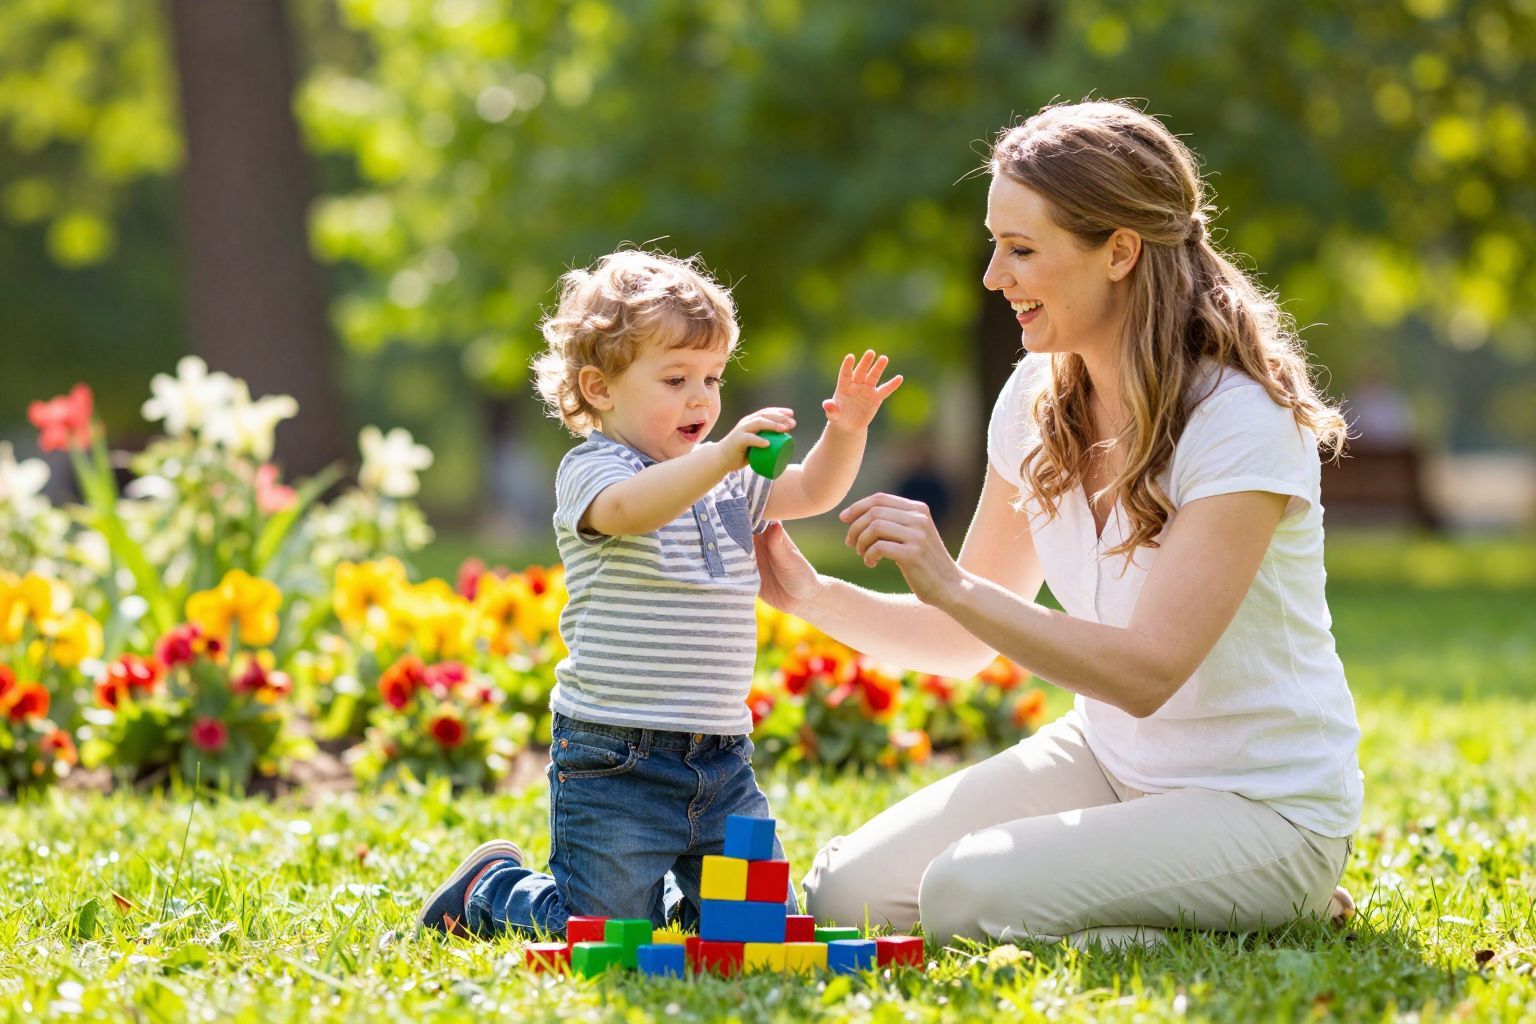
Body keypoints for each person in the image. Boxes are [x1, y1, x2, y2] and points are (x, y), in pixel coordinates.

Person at [754, 100, 1363, 948]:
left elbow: (1150, 671)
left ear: (1120, 251)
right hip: (1112, 764)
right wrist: (805, 593)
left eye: (1023, 250)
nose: (993, 276)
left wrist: (954, 584)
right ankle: (1148, 908)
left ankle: (1266, 905)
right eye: (994, 244)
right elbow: (963, 640)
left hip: (1259, 806)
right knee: (847, 896)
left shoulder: (1239, 420)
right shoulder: (1036, 399)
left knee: (965, 896)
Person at [418, 249, 902, 938]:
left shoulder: (729, 479)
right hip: (617, 760)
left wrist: (845, 430)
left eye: (711, 377)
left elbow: (815, 491)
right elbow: (629, 513)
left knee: (757, 925)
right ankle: (494, 891)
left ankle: (687, 901)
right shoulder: (595, 470)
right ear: (601, 387)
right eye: (675, 378)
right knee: (603, 930)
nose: (702, 398)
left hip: (721, 756)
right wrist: (721, 456)